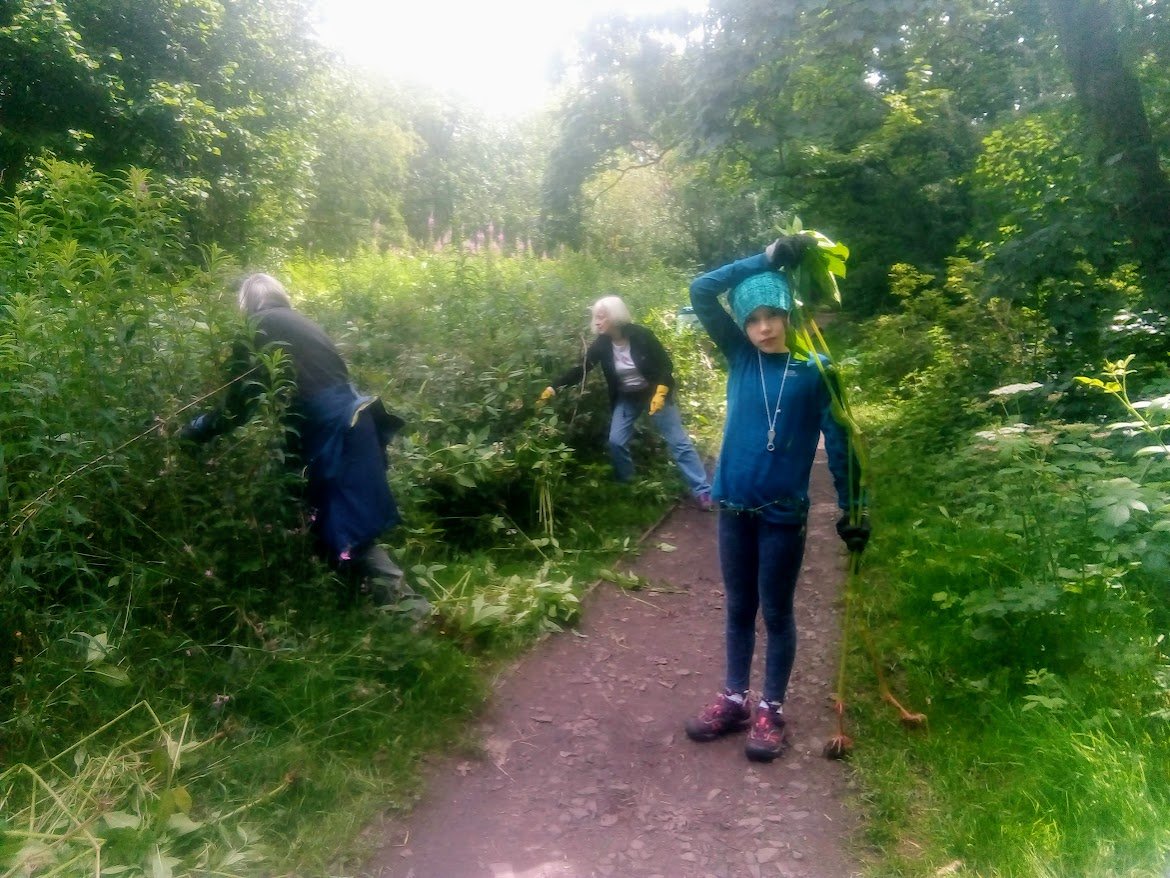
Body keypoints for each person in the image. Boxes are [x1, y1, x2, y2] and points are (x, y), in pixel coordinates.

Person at [683, 236, 870, 762]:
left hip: (783, 513)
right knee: (739, 607)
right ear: (742, 326)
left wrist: (856, 508)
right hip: (733, 506)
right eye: (753, 319)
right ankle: (735, 699)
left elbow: (839, 443)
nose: (763, 327)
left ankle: (771, 710)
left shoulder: (818, 372)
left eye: (772, 315)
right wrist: (765, 260)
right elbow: (700, 291)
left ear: (788, 315)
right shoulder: (740, 357)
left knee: (777, 611)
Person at [181, 273, 429, 616]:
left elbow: (238, 406)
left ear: (247, 303)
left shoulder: (256, 327)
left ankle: (412, 611)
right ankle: (348, 605)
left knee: (347, 527)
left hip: (332, 433)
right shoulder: (301, 322)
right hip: (355, 422)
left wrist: (197, 430)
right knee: (316, 516)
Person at [539, 295, 712, 508]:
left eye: (602, 317)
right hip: (627, 398)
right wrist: (554, 387)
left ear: (615, 316)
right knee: (616, 441)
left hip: (654, 394)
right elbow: (581, 369)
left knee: (679, 443)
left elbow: (666, 366)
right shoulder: (602, 345)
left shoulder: (641, 336)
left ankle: (703, 491)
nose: (597, 322)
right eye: (596, 317)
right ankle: (629, 485)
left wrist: (661, 392)